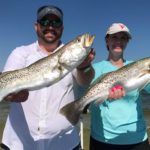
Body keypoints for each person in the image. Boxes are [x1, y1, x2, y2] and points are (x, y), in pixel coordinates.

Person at [0, 5, 96, 150]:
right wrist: (10, 96)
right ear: (36, 26)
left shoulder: (72, 63)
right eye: (44, 22)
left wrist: (84, 66)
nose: (50, 26)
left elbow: (85, 80)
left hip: (64, 144)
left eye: (56, 23)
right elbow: (6, 82)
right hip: (19, 144)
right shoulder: (20, 53)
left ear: (62, 28)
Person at [90, 23, 150, 150]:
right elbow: (87, 99)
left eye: (123, 38)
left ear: (127, 42)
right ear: (107, 40)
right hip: (103, 139)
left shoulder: (136, 66)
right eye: (115, 37)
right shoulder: (94, 69)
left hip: (137, 139)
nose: (119, 41)